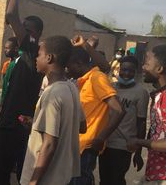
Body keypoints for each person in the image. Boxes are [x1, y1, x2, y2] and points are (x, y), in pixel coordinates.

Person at [0, 0, 43, 185]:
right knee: (7, 171)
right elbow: (20, 89)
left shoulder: (32, 50)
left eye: (25, 28)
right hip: (11, 121)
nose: (19, 29)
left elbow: (11, 15)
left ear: (34, 34)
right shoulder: (25, 58)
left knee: (1, 174)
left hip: (14, 126)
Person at [21, 36, 83, 185]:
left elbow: (49, 144)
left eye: (39, 54)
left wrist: (33, 181)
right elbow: (81, 126)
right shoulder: (71, 88)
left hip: (47, 178)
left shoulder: (52, 94)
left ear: (49, 58)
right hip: (62, 176)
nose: (36, 58)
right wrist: (36, 125)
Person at [67, 46, 125, 185]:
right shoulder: (83, 81)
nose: (67, 70)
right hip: (78, 143)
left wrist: (101, 137)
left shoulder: (96, 78)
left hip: (88, 145)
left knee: (81, 180)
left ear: (79, 64)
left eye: (69, 67)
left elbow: (119, 110)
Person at [98, 55, 149, 185]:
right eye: (124, 69)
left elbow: (141, 122)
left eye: (131, 71)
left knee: (116, 179)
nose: (126, 73)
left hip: (123, 145)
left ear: (136, 72)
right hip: (105, 142)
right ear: (119, 70)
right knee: (104, 179)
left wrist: (138, 152)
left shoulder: (140, 92)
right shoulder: (110, 87)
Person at [127, 44, 166, 183]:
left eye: (147, 63)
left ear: (159, 69)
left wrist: (139, 142)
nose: (142, 67)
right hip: (156, 173)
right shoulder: (158, 96)